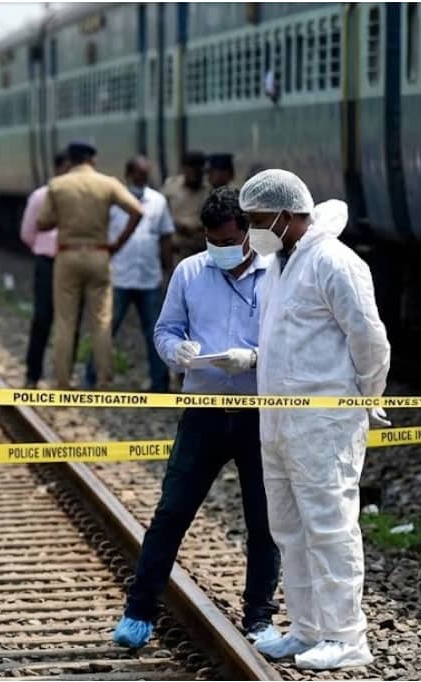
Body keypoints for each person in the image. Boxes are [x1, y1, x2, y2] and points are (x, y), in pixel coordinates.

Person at [112, 185, 281, 650]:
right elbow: (166, 329)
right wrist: (177, 352)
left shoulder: (277, 274)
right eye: (213, 242)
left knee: (264, 520)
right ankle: (138, 613)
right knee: (171, 512)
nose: (220, 250)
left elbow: (291, 342)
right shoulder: (190, 272)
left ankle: (260, 618)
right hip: (203, 412)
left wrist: (255, 358)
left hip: (259, 414)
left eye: (229, 242)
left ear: (248, 234)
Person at [240, 169, 390, 670]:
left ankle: (346, 637)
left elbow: (369, 338)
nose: (253, 229)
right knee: (288, 527)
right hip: (278, 420)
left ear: (287, 215)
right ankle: (307, 629)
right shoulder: (279, 264)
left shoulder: (334, 261)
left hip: (325, 422)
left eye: (259, 219)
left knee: (329, 526)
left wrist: (366, 396)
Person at [37, 140, 142, 390]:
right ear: (92, 159)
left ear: (70, 160)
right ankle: (104, 380)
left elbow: (42, 223)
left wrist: (64, 218)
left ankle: (63, 382)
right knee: (102, 321)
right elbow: (137, 211)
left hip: (68, 256)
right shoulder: (108, 184)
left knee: (65, 322)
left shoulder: (58, 185)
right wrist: (118, 244)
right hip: (99, 254)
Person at [85, 155, 173, 392]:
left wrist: (168, 269)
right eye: (138, 176)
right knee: (106, 329)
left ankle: (160, 384)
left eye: (145, 176)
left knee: (155, 333)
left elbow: (165, 236)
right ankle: (92, 377)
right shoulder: (114, 202)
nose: (142, 180)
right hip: (119, 276)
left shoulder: (158, 201)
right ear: (128, 175)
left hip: (149, 277)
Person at [19, 151, 71, 389]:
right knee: (43, 318)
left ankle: (63, 377)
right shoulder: (41, 196)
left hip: (68, 263)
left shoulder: (77, 196)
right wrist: (44, 248)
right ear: (58, 169)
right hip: (49, 262)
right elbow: (27, 232)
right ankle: (33, 375)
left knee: (68, 321)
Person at [161, 150, 209, 264]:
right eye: (191, 170)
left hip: (201, 249)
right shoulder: (171, 188)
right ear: (184, 169)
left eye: (198, 170)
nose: (195, 174)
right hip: (177, 250)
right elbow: (161, 214)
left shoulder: (208, 191)